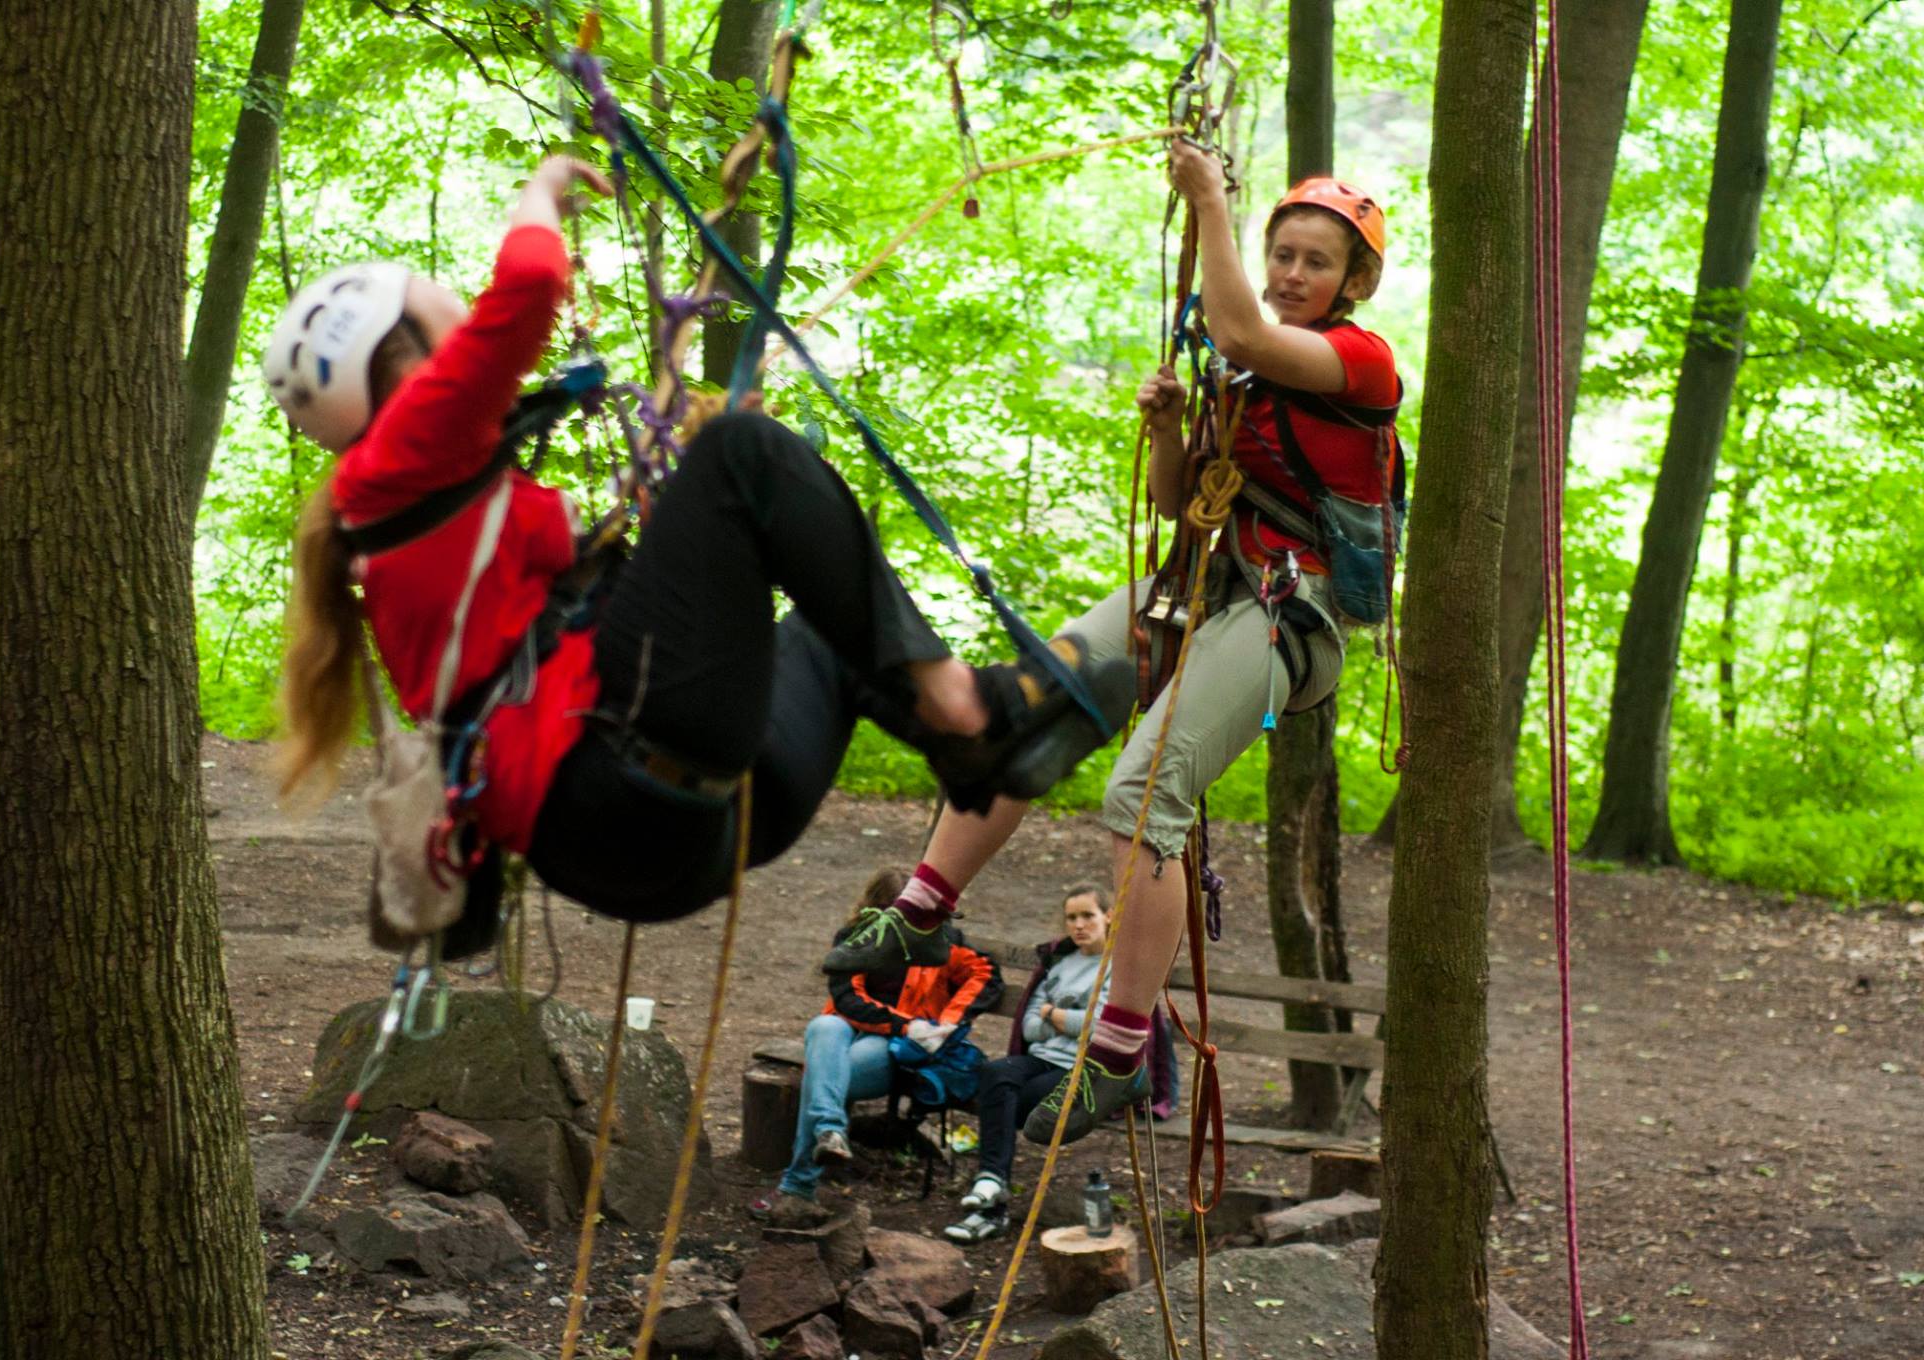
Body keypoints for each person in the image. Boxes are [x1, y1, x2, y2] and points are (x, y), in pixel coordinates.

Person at [265, 155, 1134, 937]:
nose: (447, 293)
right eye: (424, 289)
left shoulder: (422, 514)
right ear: (398, 355)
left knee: (828, 637)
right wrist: (541, 193)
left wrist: (693, 513)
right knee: (739, 454)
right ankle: (971, 710)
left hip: (669, 847)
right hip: (615, 789)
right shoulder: (394, 464)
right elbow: (530, 286)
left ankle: (973, 749)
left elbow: (588, 602)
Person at [824, 145, 1399, 1146]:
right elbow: (1186, 504)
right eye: (1282, 254)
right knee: (1037, 693)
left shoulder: (1359, 361)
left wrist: (1209, 203)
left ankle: (1121, 1050)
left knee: (1140, 795)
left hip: (1283, 617)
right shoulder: (1238, 371)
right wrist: (1175, 430)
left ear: (1351, 283)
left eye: (1315, 262)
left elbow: (1237, 324)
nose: (1291, 274)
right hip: (1204, 584)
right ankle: (920, 906)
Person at [751, 868, 1004, 1223]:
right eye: (891, 915)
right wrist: (906, 1023)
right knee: (824, 1026)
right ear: (875, 910)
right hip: (853, 1034)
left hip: (894, 1050)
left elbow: (986, 974)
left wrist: (948, 1021)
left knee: (822, 1077)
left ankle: (799, 1183)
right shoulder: (855, 938)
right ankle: (827, 1134)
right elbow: (846, 999)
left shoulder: (942, 940)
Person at [943, 886, 1177, 1244]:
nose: (1079, 925)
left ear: (1108, 916)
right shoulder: (1059, 962)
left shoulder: (1122, 967)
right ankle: (990, 1182)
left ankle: (991, 1208)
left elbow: (1107, 1029)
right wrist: (1069, 1021)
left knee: (1010, 1101)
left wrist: (1056, 1015)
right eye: (1072, 918)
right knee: (994, 1073)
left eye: (1088, 916)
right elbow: (1030, 1027)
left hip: (1088, 1073)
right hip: (1042, 1059)